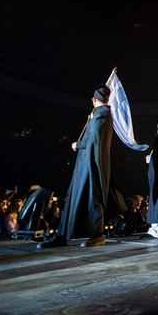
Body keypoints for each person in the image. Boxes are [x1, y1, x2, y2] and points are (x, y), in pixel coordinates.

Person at [38, 84, 114, 249]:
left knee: (92, 197)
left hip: (91, 164)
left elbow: (93, 141)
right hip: (86, 163)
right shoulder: (100, 114)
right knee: (74, 197)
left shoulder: (102, 115)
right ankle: (62, 234)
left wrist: (77, 144)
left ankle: (97, 235)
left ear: (93, 99)